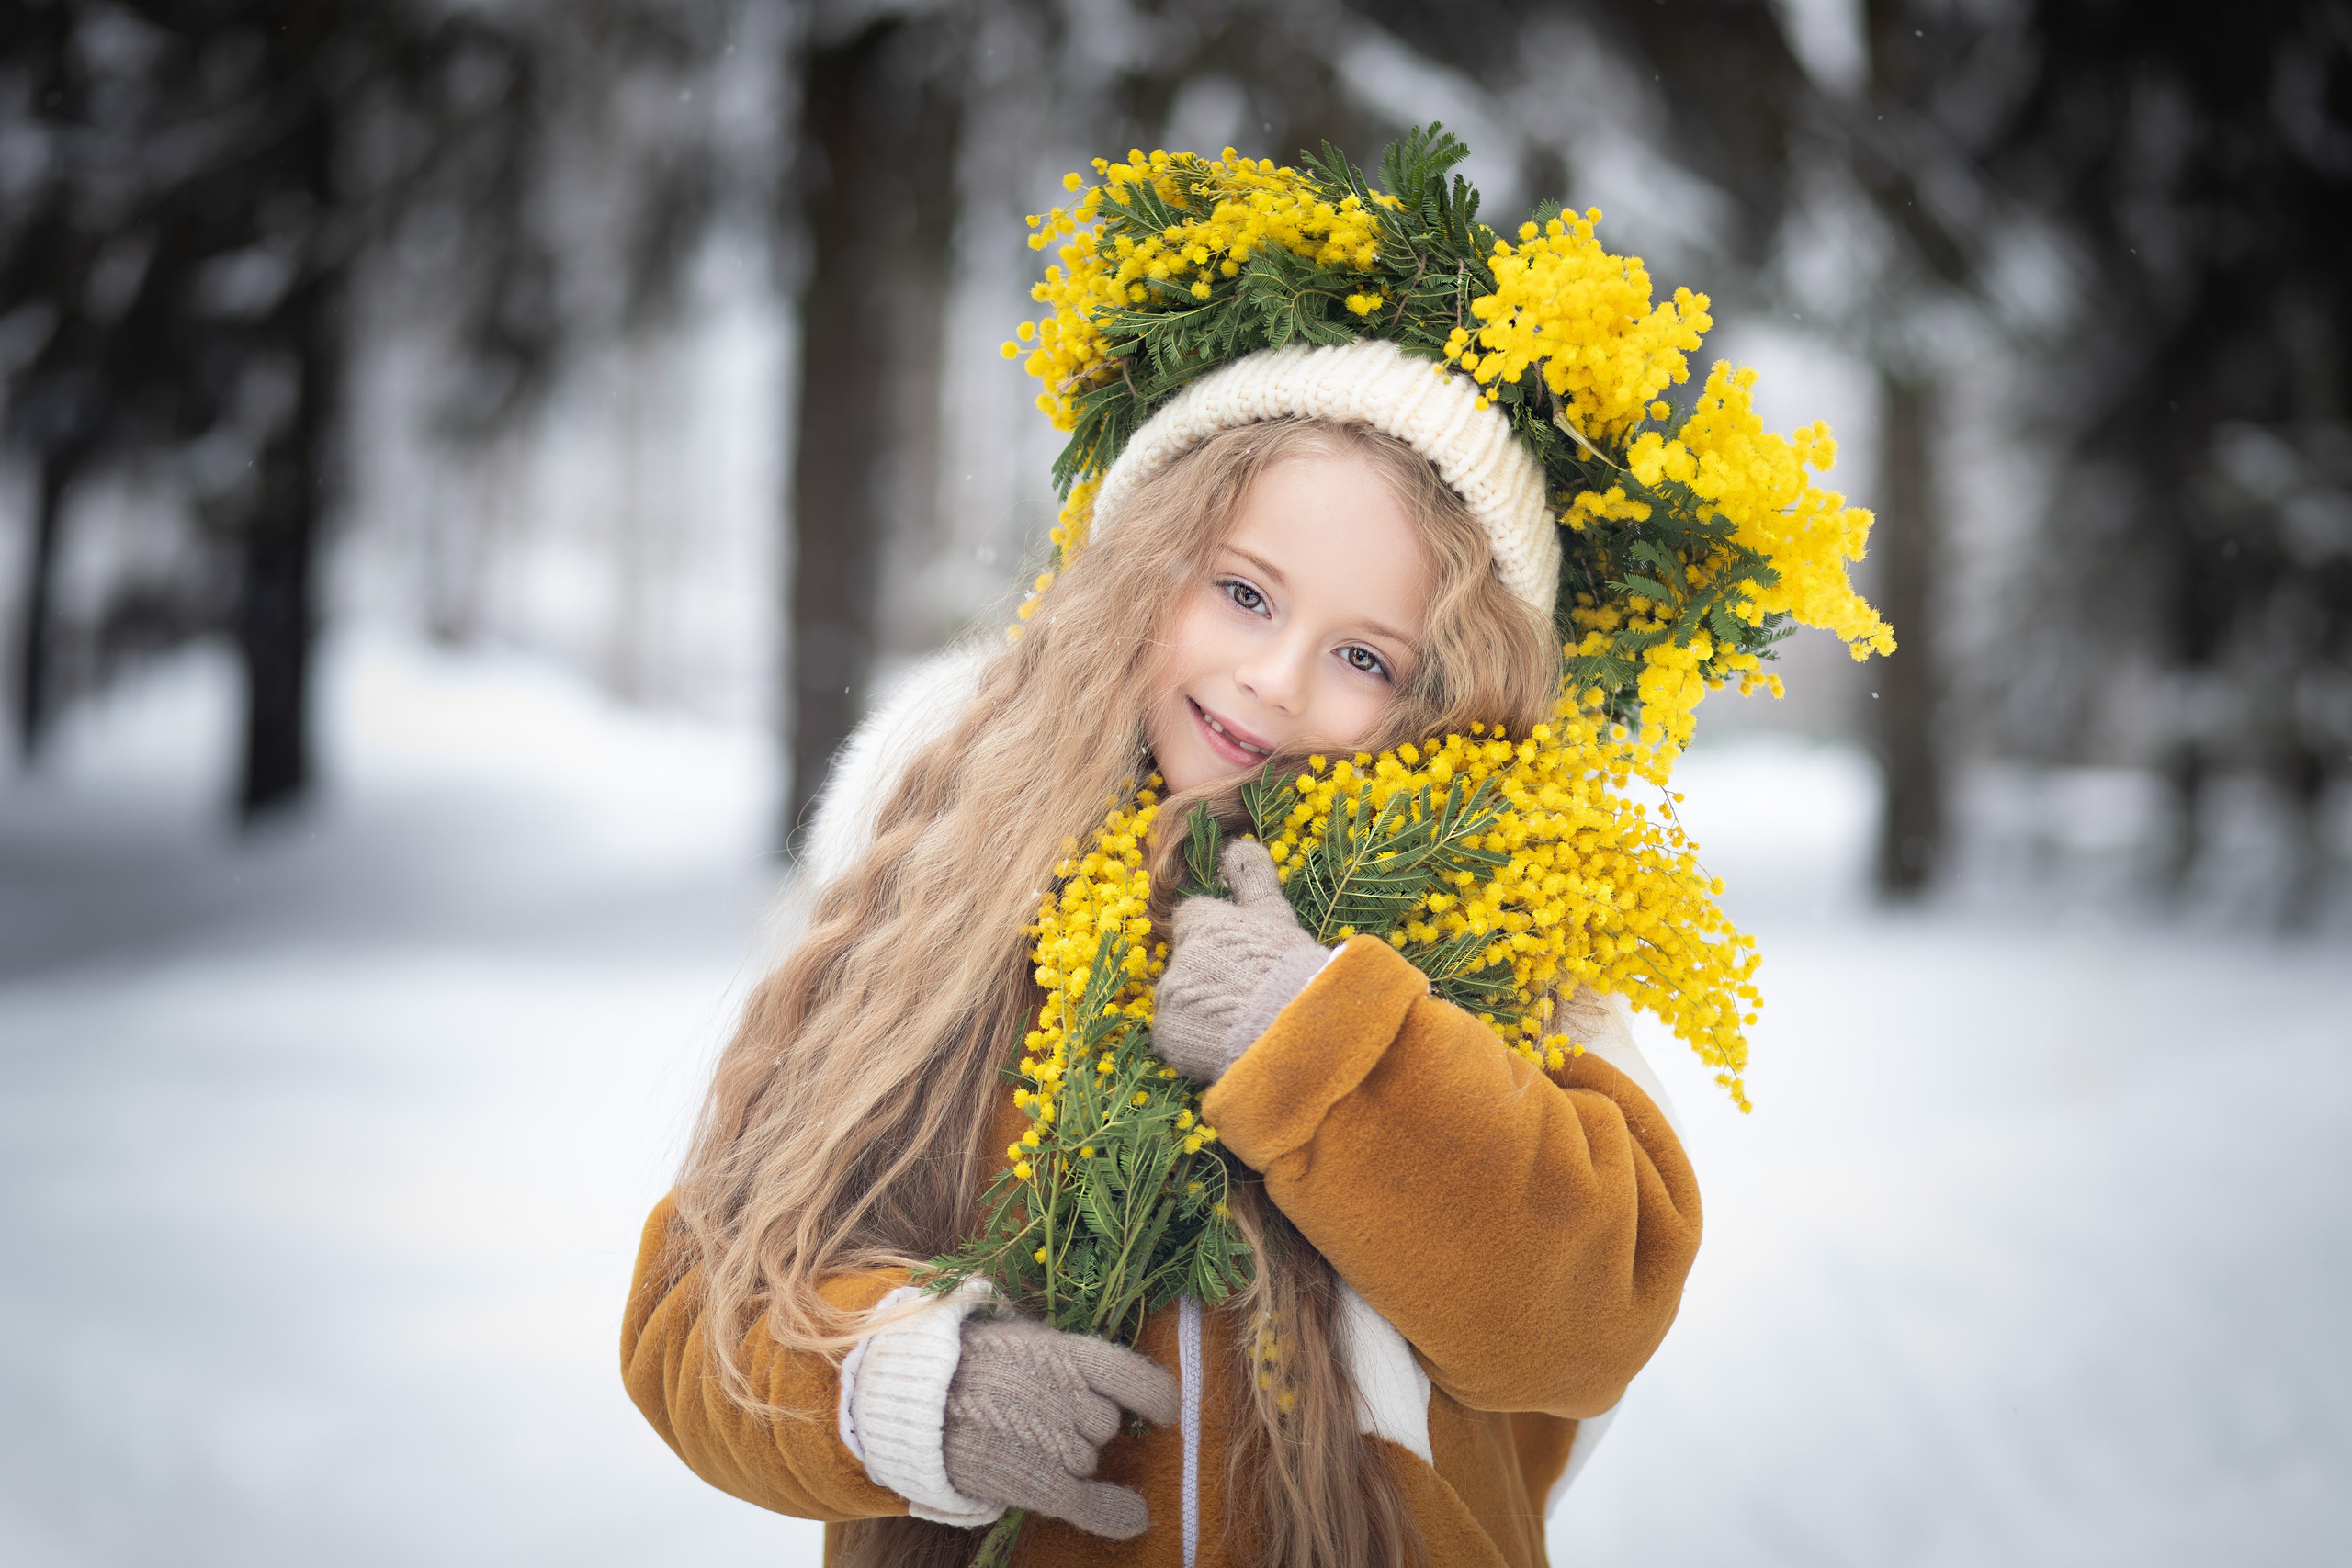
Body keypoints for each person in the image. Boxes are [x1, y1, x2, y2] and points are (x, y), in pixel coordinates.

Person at [620, 326, 1702, 1567]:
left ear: (1447, 696)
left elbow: (1581, 1323)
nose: (1276, 679)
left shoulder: (1505, 913)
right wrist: (902, 1391)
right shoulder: (941, 869)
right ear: (1145, 567)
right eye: (1242, 593)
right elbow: (694, 1316)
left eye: (1365, 657)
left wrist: (1334, 1048)